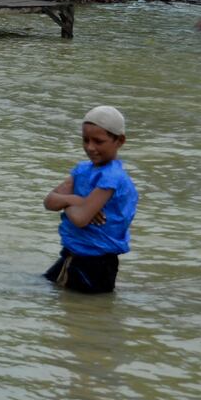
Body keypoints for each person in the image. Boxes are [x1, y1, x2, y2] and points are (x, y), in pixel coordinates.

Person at [43, 106, 138, 294]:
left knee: (78, 311)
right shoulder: (83, 169)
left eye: (98, 141)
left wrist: (69, 204)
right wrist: (77, 200)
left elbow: (80, 219)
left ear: (120, 141)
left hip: (95, 263)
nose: (90, 147)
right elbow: (49, 201)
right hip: (73, 255)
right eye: (85, 140)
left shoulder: (112, 177)